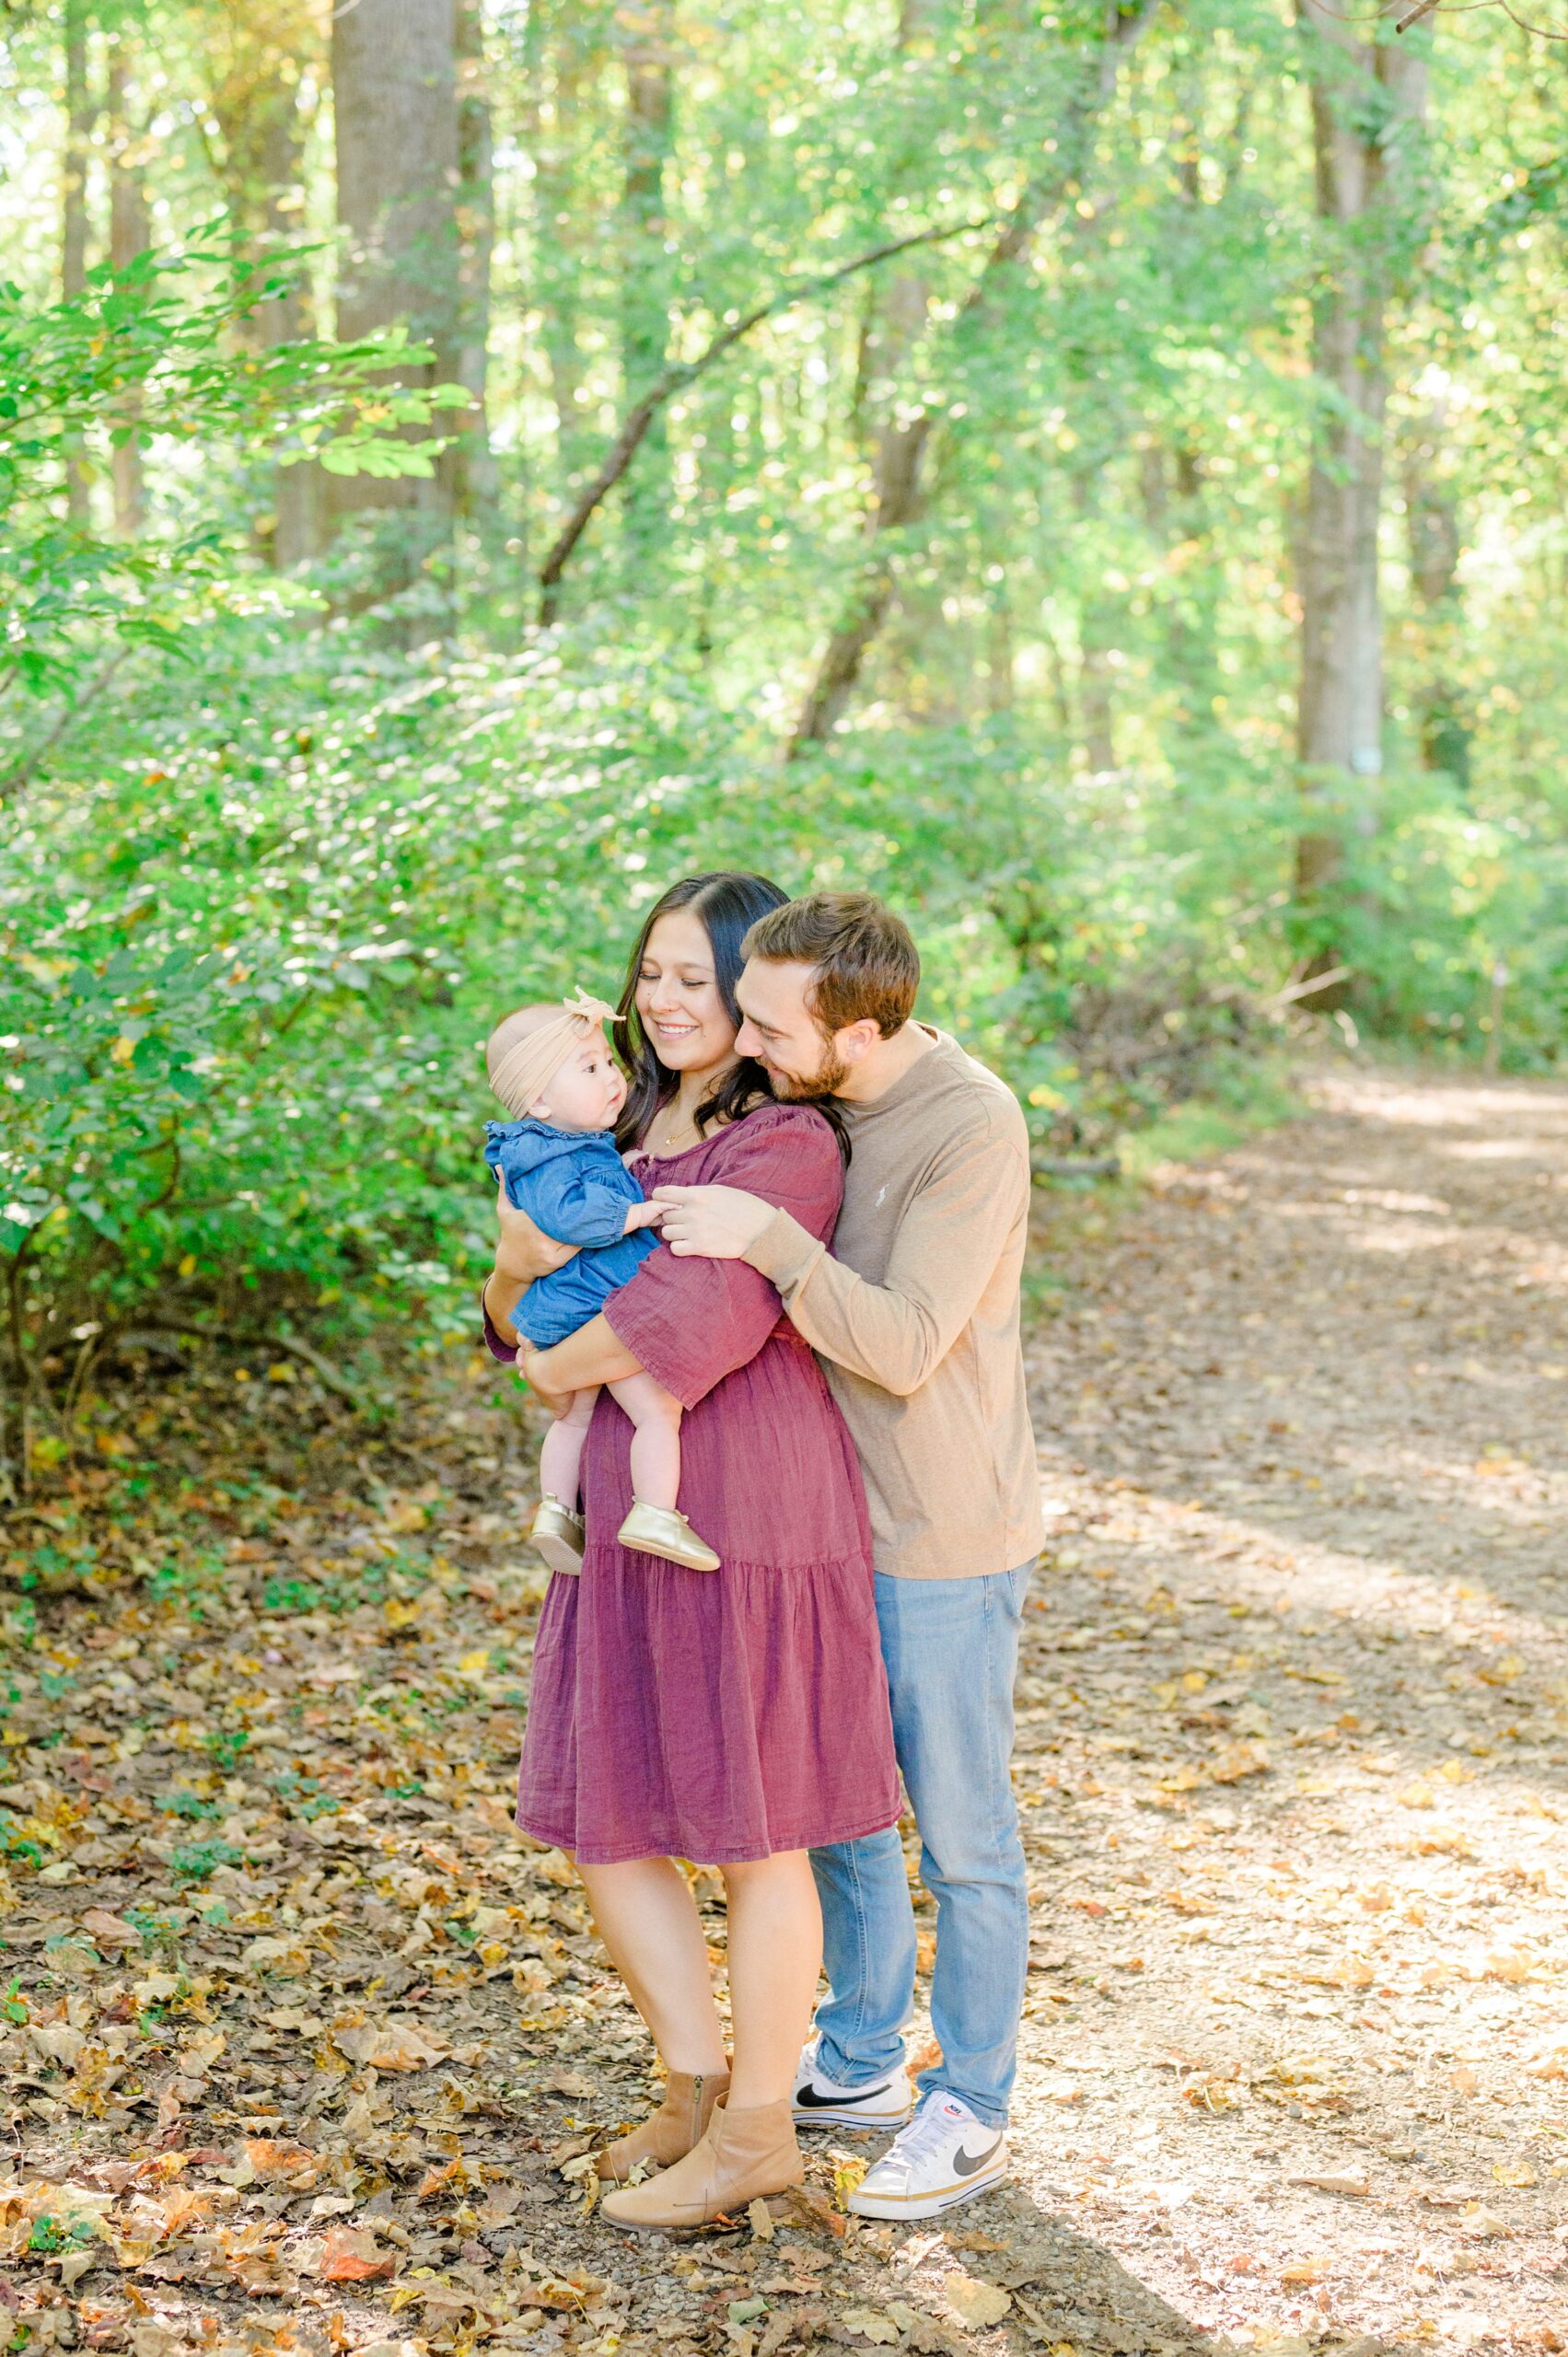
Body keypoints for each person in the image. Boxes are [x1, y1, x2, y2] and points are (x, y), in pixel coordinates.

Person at [480, 872, 902, 2235]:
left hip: (751, 1514)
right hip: (618, 1521)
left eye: (694, 979)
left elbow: (695, 1324)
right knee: (606, 1820)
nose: (663, 1000)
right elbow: (511, 1311)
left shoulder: (785, 1144)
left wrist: (545, 1348)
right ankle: (688, 2088)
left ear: (754, 991)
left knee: (752, 1830)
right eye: (647, 973)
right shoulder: (598, 1120)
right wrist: (510, 1291)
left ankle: (760, 2133)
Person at [653, 891, 1043, 2222]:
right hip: (814, 1530)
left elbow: (898, 1339)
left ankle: (969, 2106)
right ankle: (865, 2059)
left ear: (859, 1031)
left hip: (939, 1536)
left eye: (765, 1021)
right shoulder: (807, 1101)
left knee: (963, 1841)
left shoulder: (967, 1124)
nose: (742, 1042)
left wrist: (770, 1240)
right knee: (838, 1820)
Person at [482, 990, 718, 1575]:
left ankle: (557, 1511)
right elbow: (574, 1217)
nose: (611, 1077)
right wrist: (637, 1213)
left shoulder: (550, 1146)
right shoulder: (551, 1156)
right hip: (590, 1303)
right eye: (589, 1069)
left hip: (560, 1306)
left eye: (607, 1062)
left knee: (574, 1417)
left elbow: (589, 1184)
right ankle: (656, 1511)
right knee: (657, 1413)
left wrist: (626, 1175)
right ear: (539, 1100)